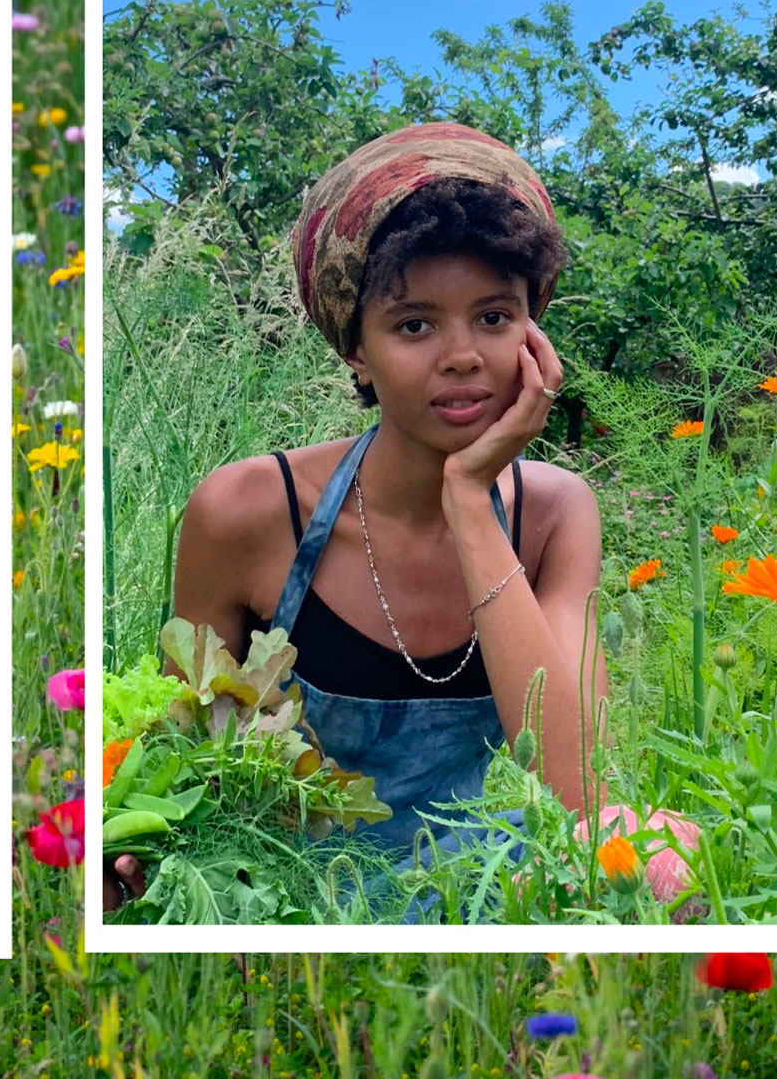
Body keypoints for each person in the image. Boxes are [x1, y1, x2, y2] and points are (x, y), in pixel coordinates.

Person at [107, 122, 609, 914]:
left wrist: (471, 504)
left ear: (533, 332)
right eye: (414, 324)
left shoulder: (555, 513)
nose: (462, 355)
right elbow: (191, 758)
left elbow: (581, 795)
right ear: (355, 350)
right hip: (291, 896)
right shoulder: (245, 513)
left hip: (486, 891)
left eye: (493, 317)